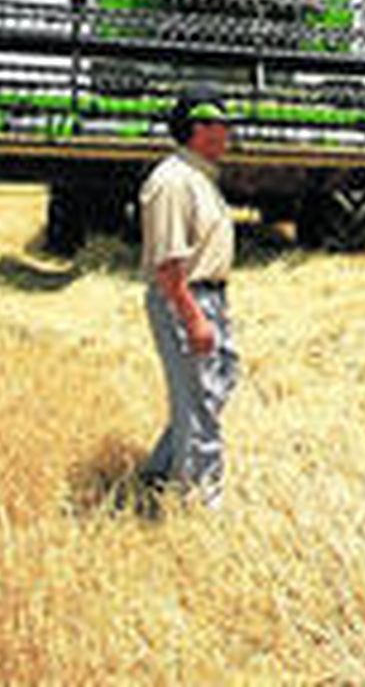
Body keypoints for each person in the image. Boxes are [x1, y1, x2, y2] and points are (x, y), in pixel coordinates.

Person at [137, 85, 239, 510]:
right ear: (198, 128)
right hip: (185, 298)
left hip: (208, 297)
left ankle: (160, 472)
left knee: (215, 384)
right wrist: (192, 316)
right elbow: (167, 260)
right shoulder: (172, 181)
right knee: (199, 402)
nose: (228, 133)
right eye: (221, 124)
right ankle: (200, 500)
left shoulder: (198, 176)